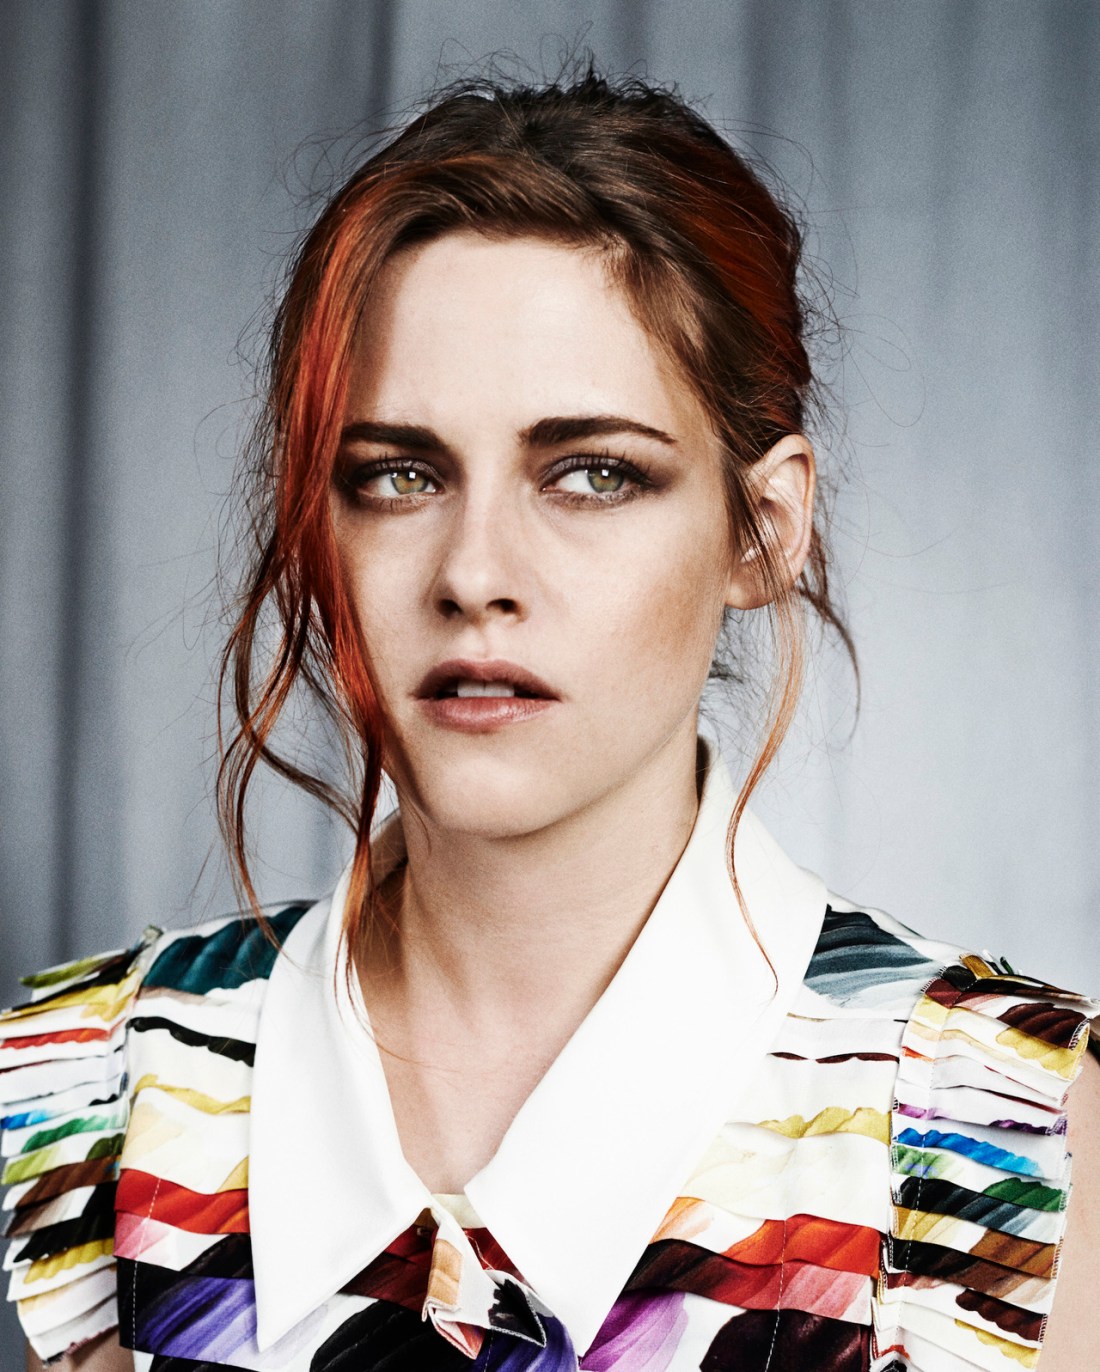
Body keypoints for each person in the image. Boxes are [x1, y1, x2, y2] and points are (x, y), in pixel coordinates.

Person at [4, 68, 1098, 1372]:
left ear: (763, 529)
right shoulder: (100, 1088)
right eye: (397, 475)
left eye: (592, 474)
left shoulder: (1001, 1137)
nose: (474, 573)